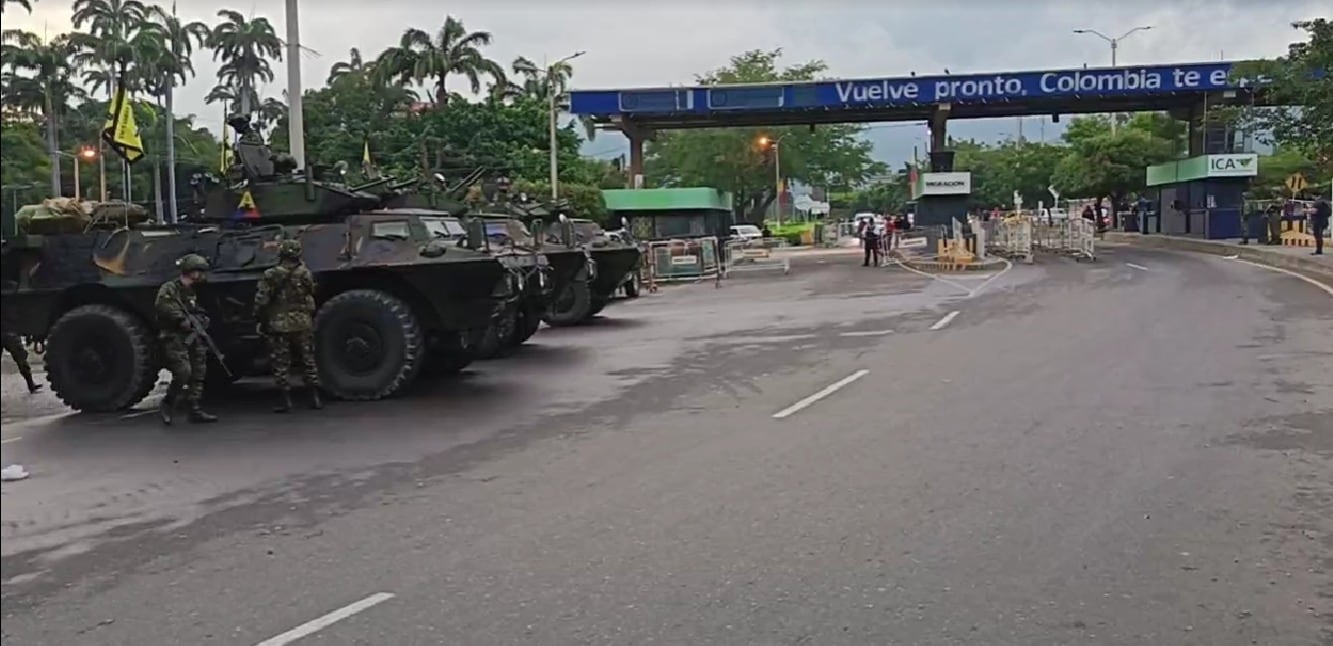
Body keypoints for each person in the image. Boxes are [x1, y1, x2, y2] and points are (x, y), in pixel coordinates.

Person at [254, 239, 322, 412]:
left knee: (281, 363)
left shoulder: (271, 274)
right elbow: (311, 292)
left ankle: (286, 401)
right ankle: (314, 398)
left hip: (279, 324)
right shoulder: (305, 273)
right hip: (302, 322)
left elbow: (262, 301)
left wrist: (260, 319)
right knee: (308, 361)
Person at [155, 253, 219, 425]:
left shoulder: (191, 291)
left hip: (192, 336)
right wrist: (181, 319)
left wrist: (202, 319)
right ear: (190, 271)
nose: (201, 275)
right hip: (174, 336)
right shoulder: (170, 288)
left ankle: (195, 409)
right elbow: (163, 306)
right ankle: (167, 403)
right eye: (199, 271)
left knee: (199, 370)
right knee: (184, 372)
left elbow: (196, 309)